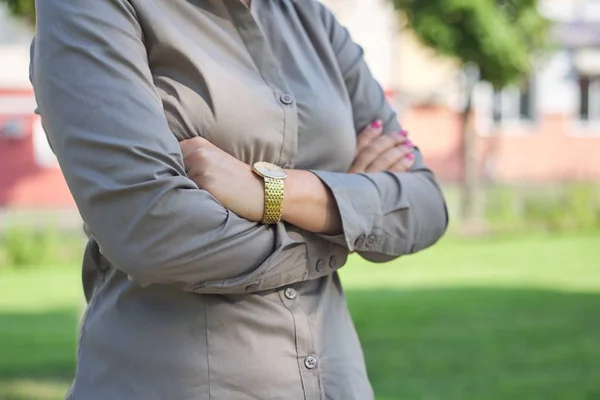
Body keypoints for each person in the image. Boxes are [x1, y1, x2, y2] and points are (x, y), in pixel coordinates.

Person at [31, 0, 449, 398]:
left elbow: (426, 204)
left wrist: (272, 191)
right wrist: (347, 219)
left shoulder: (310, 19)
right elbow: (152, 231)